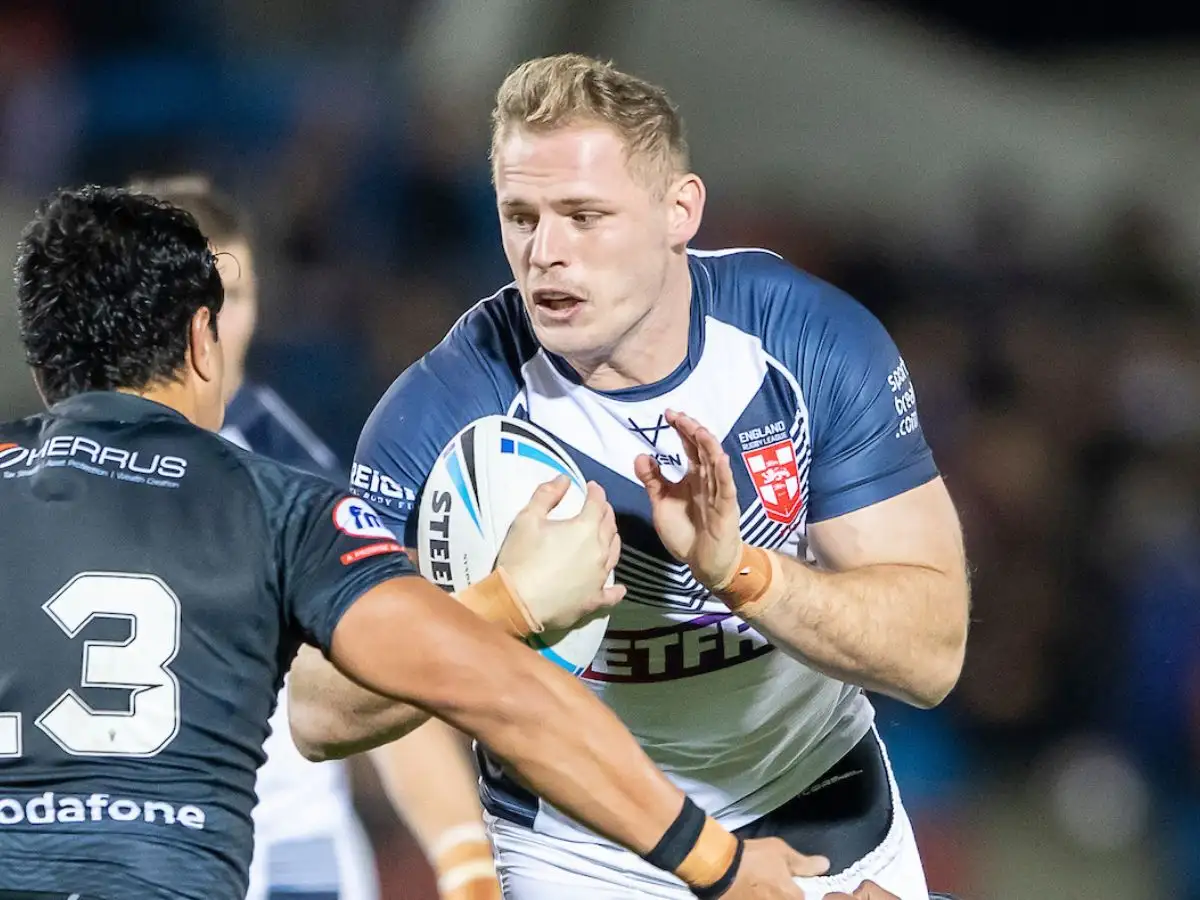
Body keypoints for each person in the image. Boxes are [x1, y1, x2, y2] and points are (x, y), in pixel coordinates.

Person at [0, 185, 828, 900]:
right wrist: (721, 864)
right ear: (200, 342)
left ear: (43, 366)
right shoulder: (276, 506)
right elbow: (506, 697)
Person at [288, 54, 970, 900]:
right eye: (521, 216)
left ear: (679, 210)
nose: (546, 254)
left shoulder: (807, 341)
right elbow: (318, 711)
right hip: (582, 840)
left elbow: (932, 653)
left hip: (821, 804)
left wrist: (740, 572)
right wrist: (505, 608)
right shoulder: (442, 410)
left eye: (584, 215)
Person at [126, 175, 499, 900]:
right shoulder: (51, 469)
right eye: (186, 298)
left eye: (234, 297)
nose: (212, 325)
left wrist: (464, 859)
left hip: (288, 849)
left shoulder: (285, 462)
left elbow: (385, 673)